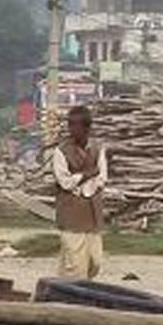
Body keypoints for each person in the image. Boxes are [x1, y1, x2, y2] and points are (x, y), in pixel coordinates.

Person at [52, 105, 107, 280]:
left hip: (92, 212)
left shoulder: (98, 149)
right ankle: (73, 296)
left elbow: (102, 177)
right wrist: (86, 175)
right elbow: (65, 182)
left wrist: (85, 185)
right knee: (75, 263)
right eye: (70, 125)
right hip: (70, 212)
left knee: (95, 261)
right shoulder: (60, 152)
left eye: (76, 125)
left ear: (86, 128)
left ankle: (66, 285)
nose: (72, 130)